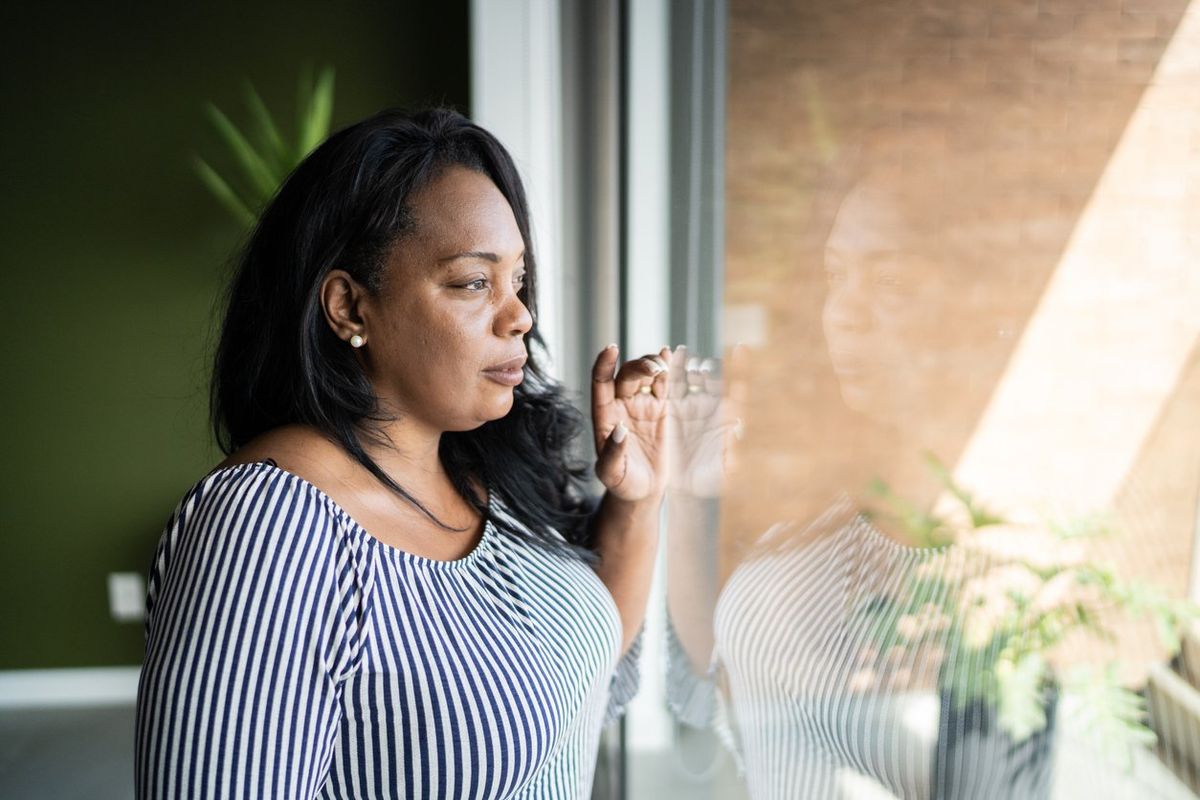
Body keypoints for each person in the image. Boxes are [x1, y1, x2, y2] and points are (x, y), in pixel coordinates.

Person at [134, 107, 671, 799]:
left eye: (518, 280)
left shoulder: (485, 474)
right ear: (350, 308)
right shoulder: (266, 529)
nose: (520, 316)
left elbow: (580, 679)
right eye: (475, 282)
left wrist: (638, 500)